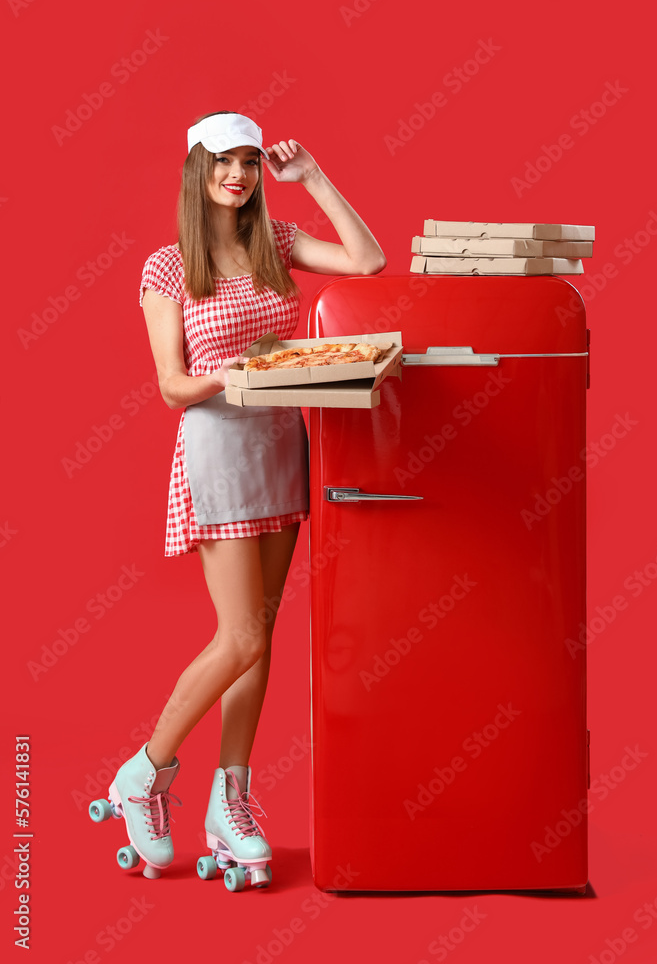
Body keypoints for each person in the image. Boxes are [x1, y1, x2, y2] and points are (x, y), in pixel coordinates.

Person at [88, 110, 386, 887]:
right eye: (226, 161)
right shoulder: (165, 267)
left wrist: (312, 177)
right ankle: (144, 773)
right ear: (197, 170)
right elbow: (172, 385)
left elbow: (368, 259)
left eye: (250, 161)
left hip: (282, 447)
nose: (241, 175)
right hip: (218, 449)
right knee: (241, 637)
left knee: (263, 631)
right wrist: (244, 373)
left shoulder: (276, 244)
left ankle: (231, 800)